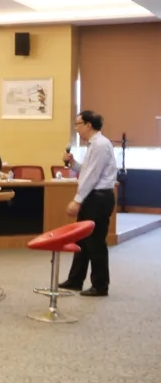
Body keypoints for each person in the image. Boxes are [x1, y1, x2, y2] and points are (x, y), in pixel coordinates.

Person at [60, 110, 118, 297]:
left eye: (78, 124)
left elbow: (92, 176)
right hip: (92, 197)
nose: (76, 128)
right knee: (82, 240)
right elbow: (87, 170)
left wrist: (77, 200)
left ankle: (100, 285)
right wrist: (73, 163)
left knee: (95, 242)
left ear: (88, 125)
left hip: (98, 198)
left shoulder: (100, 145)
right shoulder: (94, 144)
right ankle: (75, 280)